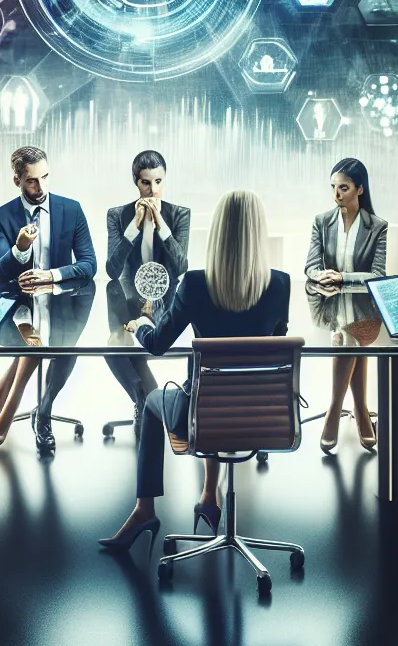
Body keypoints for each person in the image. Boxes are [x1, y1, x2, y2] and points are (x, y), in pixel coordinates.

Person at [100, 190, 292, 550]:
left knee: (157, 400)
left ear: (217, 232)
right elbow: (275, 347)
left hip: (203, 414)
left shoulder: (196, 285)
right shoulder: (280, 284)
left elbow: (156, 343)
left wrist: (141, 323)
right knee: (218, 395)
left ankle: (144, 509)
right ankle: (209, 495)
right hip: (261, 414)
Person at [0, 146, 97, 452]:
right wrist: (20, 248)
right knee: (33, 340)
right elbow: (0, 271)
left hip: (61, 303)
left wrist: (50, 276)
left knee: (65, 345)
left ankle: (42, 410)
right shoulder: (1, 216)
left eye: (45, 177)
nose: (41, 187)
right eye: (32, 181)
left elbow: (89, 265)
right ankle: (12, 403)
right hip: (16, 307)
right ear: (17, 181)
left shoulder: (71, 209)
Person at [304, 157, 388, 453]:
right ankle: (362, 412)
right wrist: (322, 275)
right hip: (329, 305)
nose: (336, 194)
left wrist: (343, 277)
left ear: (360, 190)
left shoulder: (377, 226)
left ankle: (333, 411)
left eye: (343, 188)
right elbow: (311, 266)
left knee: (349, 335)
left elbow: (378, 275)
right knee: (351, 337)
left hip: (363, 308)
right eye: (333, 187)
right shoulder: (322, 221)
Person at [103, 150, 192, 418]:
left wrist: (162, 224)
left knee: (150, 340)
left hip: (168, 299)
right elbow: (112, 270)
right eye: (146, 183)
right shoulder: (117, 215)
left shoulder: (179, 215)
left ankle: (148, 405)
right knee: (114, 345)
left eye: (158, 182)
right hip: (129, 297)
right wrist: (134, 226)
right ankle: (144, 399)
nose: (153, 190)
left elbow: (180, 267)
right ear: (136, 182)